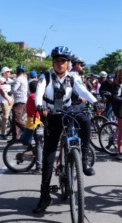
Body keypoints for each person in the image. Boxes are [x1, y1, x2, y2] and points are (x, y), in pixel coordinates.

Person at [32, 46, 98, 214]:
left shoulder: (72, 77)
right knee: (49, 156)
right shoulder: (45, 77)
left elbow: (83, 91)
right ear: (53, 62)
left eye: (63, 61)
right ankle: (44, 195)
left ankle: (83, 160)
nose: (60, 64)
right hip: (51, 114)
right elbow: (39, 93)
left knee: (85, 120)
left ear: (68, 63)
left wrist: (96, 102)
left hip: (67, 111)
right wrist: (40, 106)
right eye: (57, 61)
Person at [25, 80, 43, 173]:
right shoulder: (34, 97)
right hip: (35, 123)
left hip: (33, 122)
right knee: (39, 144)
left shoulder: (32, 96)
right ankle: (39, 166)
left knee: (39, 143)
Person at [11, 65, 29, 140]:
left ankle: (28, 131)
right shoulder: (24, 78)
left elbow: (14, 89)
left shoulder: (18, 79)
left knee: (17, 119)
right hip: (23, 101)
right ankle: (15, 137)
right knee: (14, 120)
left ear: (17, 71)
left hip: (19, 101)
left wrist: (9, 92)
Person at [0, 67, 14, 136]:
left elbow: (15, 82)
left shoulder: (9, 80)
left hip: (11, 99)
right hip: (5, 101)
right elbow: (1, 91)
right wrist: (8, 99)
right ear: (4, 73)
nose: (10, 73)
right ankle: (3, 133)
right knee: (5, 117)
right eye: (8, 72)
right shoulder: (0, 80)